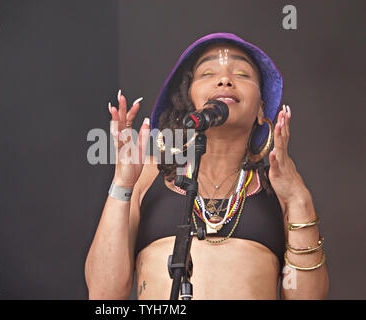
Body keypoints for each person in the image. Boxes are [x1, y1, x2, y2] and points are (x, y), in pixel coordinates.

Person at [85, 33, 329, 299]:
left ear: (262, 109)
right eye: (208, 73)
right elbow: (103, 294)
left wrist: (298, 198)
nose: (224, 79)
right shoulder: (148, 175)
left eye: (242, 74)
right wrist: (122, 183)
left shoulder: (280, 190)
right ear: (188, 102)